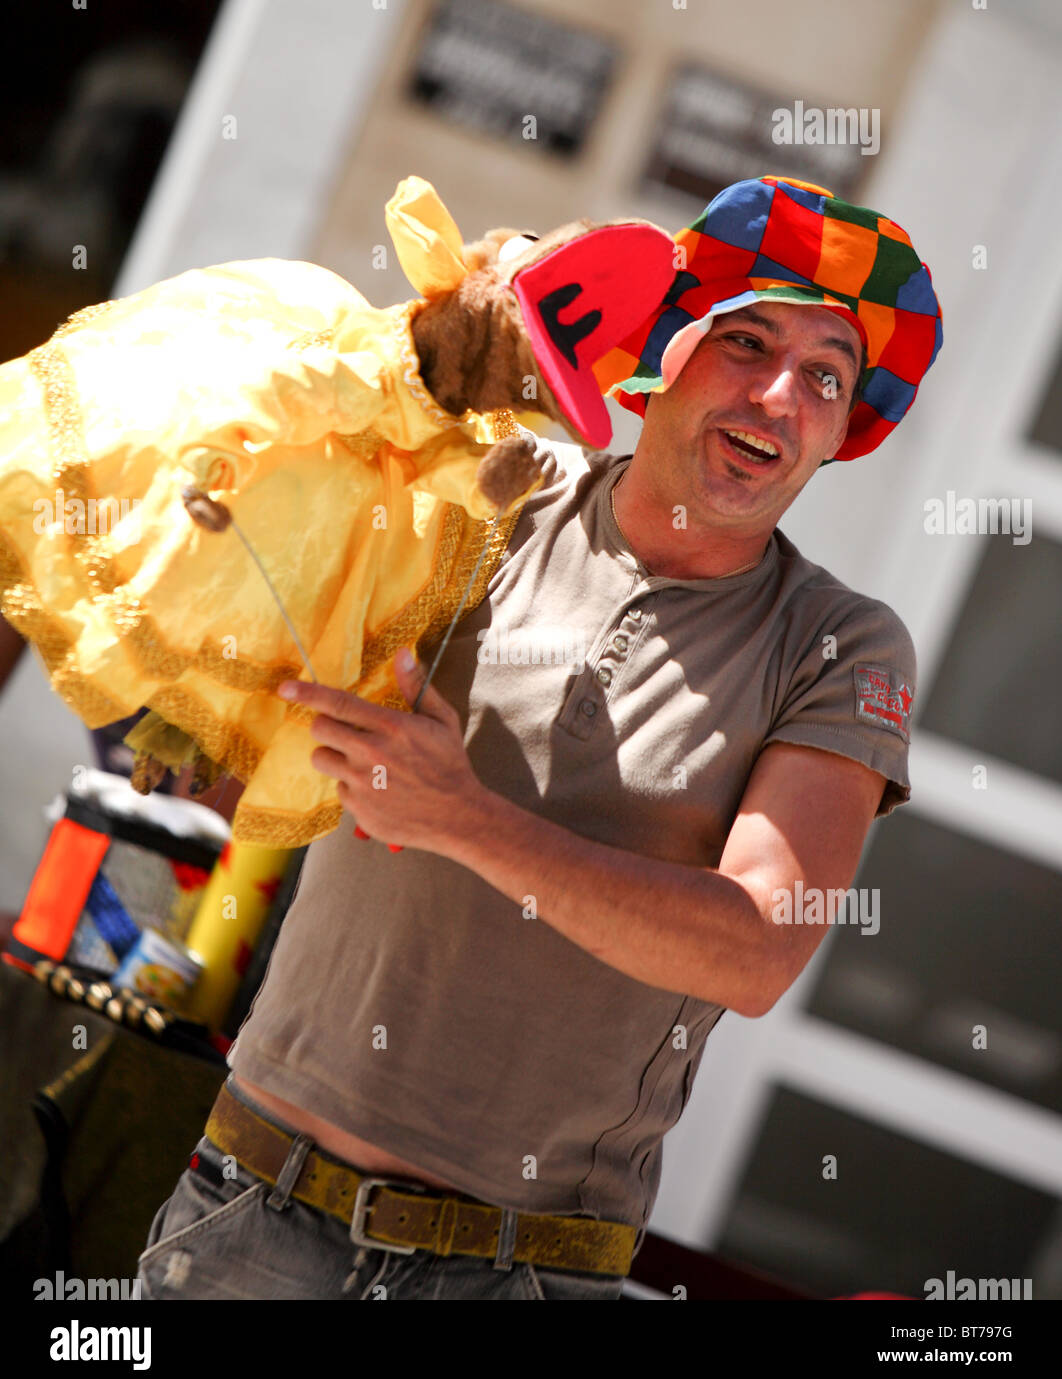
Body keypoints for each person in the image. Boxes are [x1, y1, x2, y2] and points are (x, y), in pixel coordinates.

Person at [135, 174, 942, 1301]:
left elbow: (758, 947)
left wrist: (463, 819)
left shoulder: (841, 645)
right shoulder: (493, 494)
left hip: (516, 1273)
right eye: (746, 340)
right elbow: (267, 708)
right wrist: (208, 698)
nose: (777, 394)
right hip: (245, 1209)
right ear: (662, 354)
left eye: (824, 376)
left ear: (836, 433)